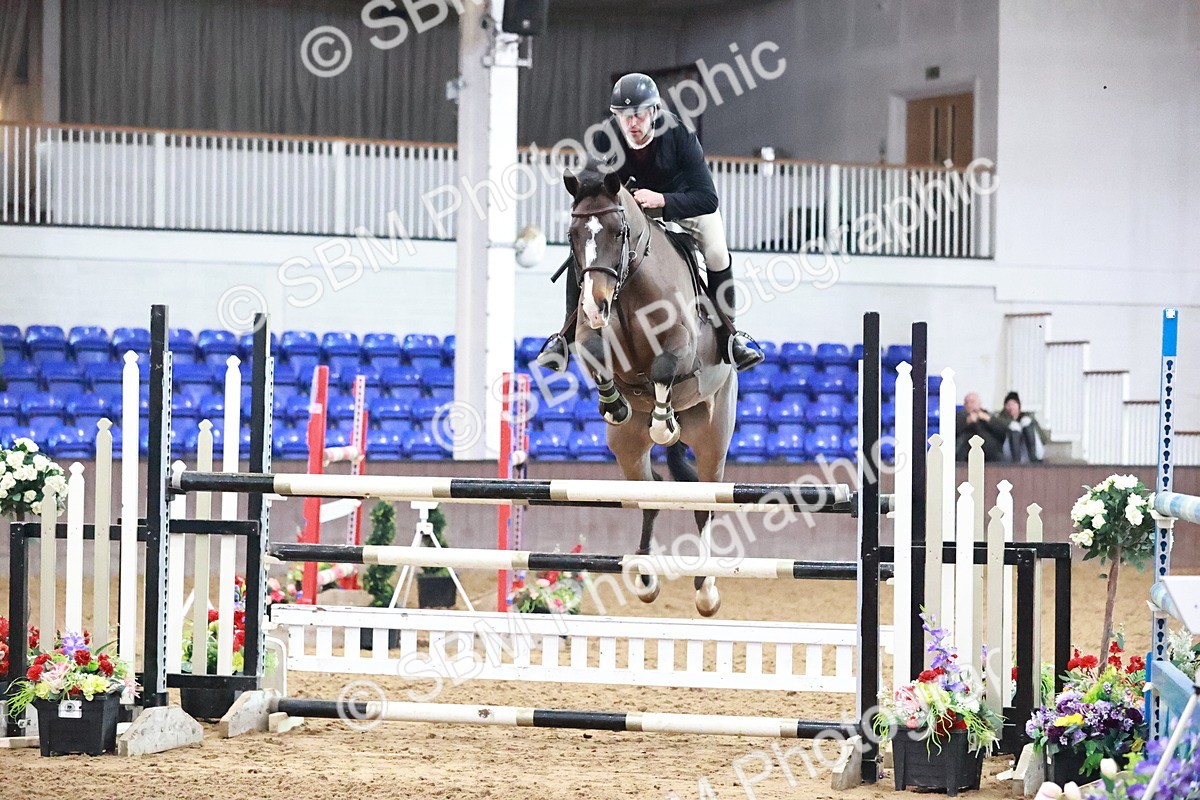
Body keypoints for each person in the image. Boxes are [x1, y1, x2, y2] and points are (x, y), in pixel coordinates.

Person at [535, 72, 763, 373]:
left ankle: (729, 337)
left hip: (682, 203)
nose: (632, 123)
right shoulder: (606, 138)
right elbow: (589, 187)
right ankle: (565, 337)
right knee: (588, 244)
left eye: (639, 115)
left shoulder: (680, 135)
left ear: (654, 112)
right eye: (624, 116)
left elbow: (707, 199)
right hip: (631, 212)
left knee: (717, 251)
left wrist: (663, 200)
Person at [996, 391, 1046, 464]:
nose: (1011, 407)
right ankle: (1016, 462)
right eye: (1008, 405)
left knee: (1025, 421)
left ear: (1019, 405)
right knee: (1014, 426)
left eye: (1014, 404)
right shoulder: (1001, 419)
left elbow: (1043, 439)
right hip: (1011, 454)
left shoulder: (1028, 416)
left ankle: (1033, 459)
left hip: (1031, 452)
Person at [955, 391, 1005, 462]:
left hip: (990, 452)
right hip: (966, 452)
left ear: (979, 403)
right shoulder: (959, 416)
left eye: (972, 402)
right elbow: (953, 432)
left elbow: (1003, 431)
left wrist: (988, 419)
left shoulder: (988, 415)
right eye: (966, 403)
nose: (969, 405)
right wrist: (967, 421)